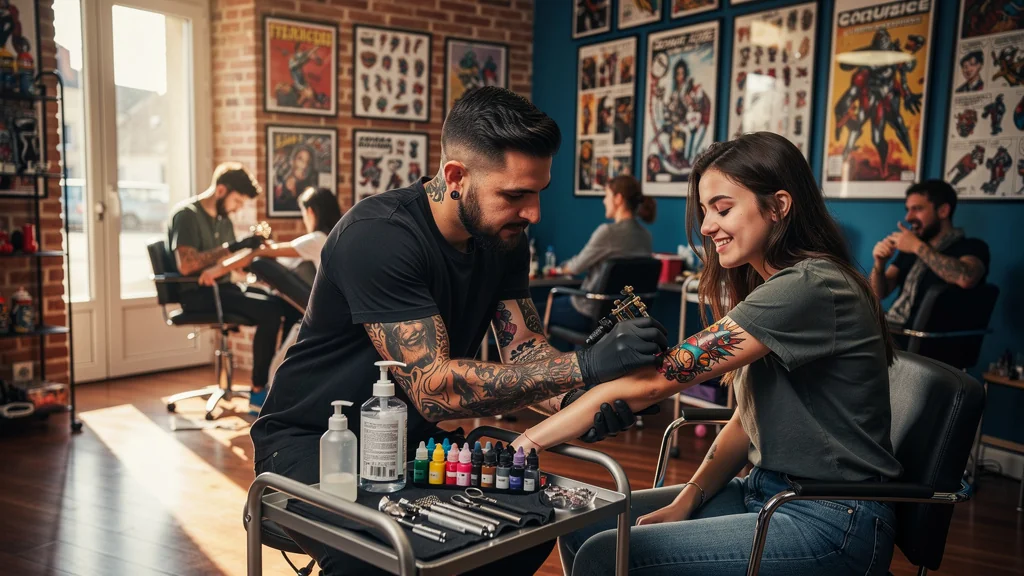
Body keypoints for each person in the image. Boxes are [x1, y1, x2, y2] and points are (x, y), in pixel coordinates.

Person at [250, 86, 668, 576]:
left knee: (525, 532)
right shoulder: (378, 235)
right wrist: (584, 365)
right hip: (313, 442)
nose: (532, 212)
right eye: (514, 195)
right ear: (455, 176)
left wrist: (585, 399)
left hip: (413, 441)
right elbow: (433, 388)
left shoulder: (504, 239)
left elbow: (526, 352)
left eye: (537, 193)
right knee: (381, 561)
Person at [512, 132, 904, 576]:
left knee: (606, 554)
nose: (705, 227)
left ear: (778, 206)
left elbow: (659, 380)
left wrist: (528, 442)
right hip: (766, 490)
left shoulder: (809, 287)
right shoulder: (773, 287)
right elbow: (746, 421)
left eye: (722, 208)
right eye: (704, 211)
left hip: (831, 519)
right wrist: (686, 500)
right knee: (583, 525)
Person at [167, 162, 302, 415]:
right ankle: (259, 390)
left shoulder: (223, 220)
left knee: (286, 304)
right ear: (221, 191)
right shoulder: (186, 215)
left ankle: (281, 381)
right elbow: (186, 265)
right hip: (199, 294)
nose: (237, 208)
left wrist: (253, 263)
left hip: (224, 290)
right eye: (237, 201)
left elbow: (225, 265)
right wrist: (233, 246)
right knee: (270, 312)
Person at [196, 186, 343, 385]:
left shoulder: (317, 239)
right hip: (332, 311)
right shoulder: (338, 238)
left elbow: (258, 254)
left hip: (324, 317)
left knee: (277, 370)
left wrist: (217, 270)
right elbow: (284, 264)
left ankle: (266, 398)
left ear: (310, 212)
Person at [547, 175, 656, 351]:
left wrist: (558, 269)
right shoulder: (645, 236)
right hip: (625, 317)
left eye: (606, 196)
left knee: (535, 312)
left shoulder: (607, 232)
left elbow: (575, 267)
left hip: (590, 313)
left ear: (618, 198)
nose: (604, 201)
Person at [870, 180, 990, 330]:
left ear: (943, 211)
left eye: (917, 209)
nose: (908, 217)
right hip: (894, 331)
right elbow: (879, 293)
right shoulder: (910, 250)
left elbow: (966, 278)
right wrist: (879, 264)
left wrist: (916, 246)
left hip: (928, 343)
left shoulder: (972, 246)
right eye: (908, 209)